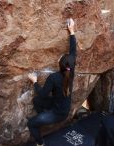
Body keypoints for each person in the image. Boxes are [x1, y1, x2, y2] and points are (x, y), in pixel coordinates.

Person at [27, 18, 77, 146]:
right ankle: (44, 117)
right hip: (62, 106)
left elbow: (43, 93)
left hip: (58, 113)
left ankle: (40, 143)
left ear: (59, 64)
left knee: (31, 123)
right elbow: (73, 51)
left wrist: (34, 82)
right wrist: (72, 32)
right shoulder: (71, 71)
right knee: (36, 101)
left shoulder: (54, 77)